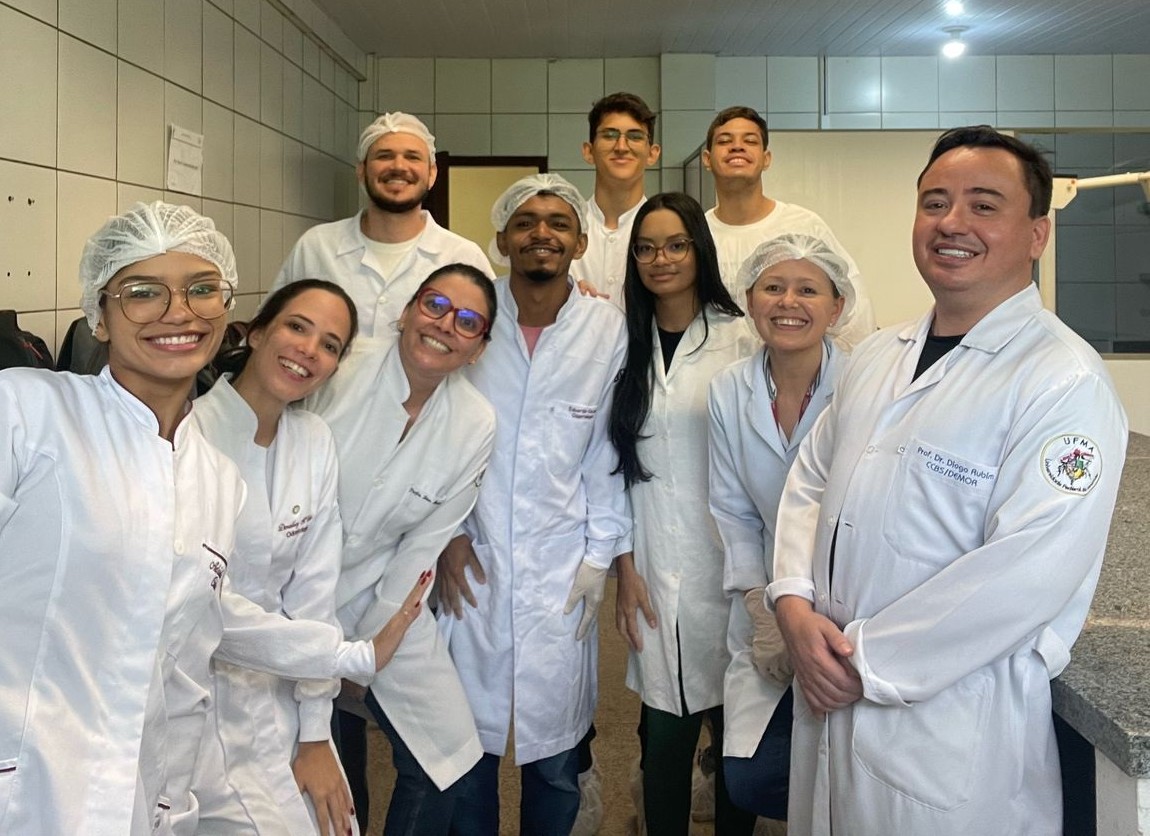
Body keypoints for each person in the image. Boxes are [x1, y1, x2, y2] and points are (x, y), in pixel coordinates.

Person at [0, 203, 420, 835]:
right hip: (24, 786)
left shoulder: (217, 480)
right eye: (143, 292)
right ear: (99, 315)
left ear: (225, 312)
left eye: (201, 289)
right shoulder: (27, 412)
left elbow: (203, 629)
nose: (179, 312)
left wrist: (348, 655)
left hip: (139, 796)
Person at [770, 126, 1128, 835]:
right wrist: (792, 601)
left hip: (948, 726)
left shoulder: (1063, 381)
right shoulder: (878, 356)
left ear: (1037, 234)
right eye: (934, 203)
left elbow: (1029, 571)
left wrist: (863, 661)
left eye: (983, 205)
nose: (951, 222)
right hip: (828, 685)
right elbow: (809, 481)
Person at [436, 174, 630, 835]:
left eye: (557, 223)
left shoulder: (606, 328)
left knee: (554, 756)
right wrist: (447, 533)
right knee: (469, 749)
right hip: (475, 553)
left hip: (560, 559)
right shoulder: (469, 317)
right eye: (524, 222)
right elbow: (435, 432)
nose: (540, 233)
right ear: (501, 240)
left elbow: (607, 452)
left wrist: (599, 557)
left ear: (580, 243)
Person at [306, 264, 498, 834]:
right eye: (435, 305)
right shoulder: (343, 368)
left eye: (468, 322)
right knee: (322, 768)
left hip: (387, 596)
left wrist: (370, 650)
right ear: (407, 311)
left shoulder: (474, 421)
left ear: (478, 349)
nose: (445, 325)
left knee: (448, 756)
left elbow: (424, 546)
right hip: (291, 595)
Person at [191, 279, 366, 836]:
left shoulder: (313, 440)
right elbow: (200, 607)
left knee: (334, 825)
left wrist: (315, 734)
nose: (309, 350)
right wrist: (337, 656)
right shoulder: (189, 434)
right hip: (194, 707)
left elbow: (315, 595)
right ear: (258, 332)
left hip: (284, 697)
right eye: (297, 327)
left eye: (330, 345)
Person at [608, 192, 757, 835]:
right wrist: (624, 568)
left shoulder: (742, 336)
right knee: (664, 734)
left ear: (700, 249)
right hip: (653, 565)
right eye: (646, 248)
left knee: (737, 740)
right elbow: (606, 466)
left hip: (733, 565)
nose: (660, 259)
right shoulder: (621, 342)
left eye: (675, 245)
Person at [706, 234, 857, 824]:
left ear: (836, 307)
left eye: (807, 290)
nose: (788, 302)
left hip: (851, 599)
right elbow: (733, 509)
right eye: (773, 287)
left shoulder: (865, 381)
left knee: (845, 769)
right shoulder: (729, 390)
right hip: (769, 597)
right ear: (750, 299)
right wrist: (762, 608)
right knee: (753, 779)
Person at [274, 112, 495, 337]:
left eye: (412, 157)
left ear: (431, 174)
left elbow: (490, 342)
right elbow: (271, 328)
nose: (399, 166)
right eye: (384, 156)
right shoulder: (317, 246)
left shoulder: (463, 257)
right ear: (361, 171)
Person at [702, 106, 876, 349]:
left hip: (790, 369)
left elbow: (853, 309)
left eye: (750, 141)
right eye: (724, 141)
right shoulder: (697, 234)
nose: (737, 147)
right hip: (712, 369)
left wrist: (847, 366)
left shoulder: (802, 226)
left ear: (766, 159)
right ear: (707, 159)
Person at [569, 91, 661, 307]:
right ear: (588, 151)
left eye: (635, 136)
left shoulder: (666, 231)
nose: (621, 147)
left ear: (652, 154)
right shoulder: (566, 228)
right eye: (609, 135)